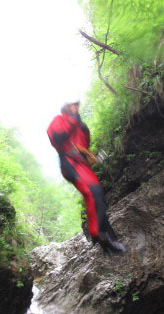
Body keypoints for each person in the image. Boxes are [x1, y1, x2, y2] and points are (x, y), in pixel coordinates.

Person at [47, 100, 125, 253]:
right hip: (69, 163)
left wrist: (86, 151)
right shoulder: (59, 119)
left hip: (83, 166)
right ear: (65, 107)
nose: (76, 107)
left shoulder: (81, 126)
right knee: (92, 193)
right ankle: (98, 234)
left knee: (99, 196)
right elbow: (58, 137)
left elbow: (85, 144)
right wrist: (73, 120)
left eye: (77, 105)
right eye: (72, 105)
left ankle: (109, 239)